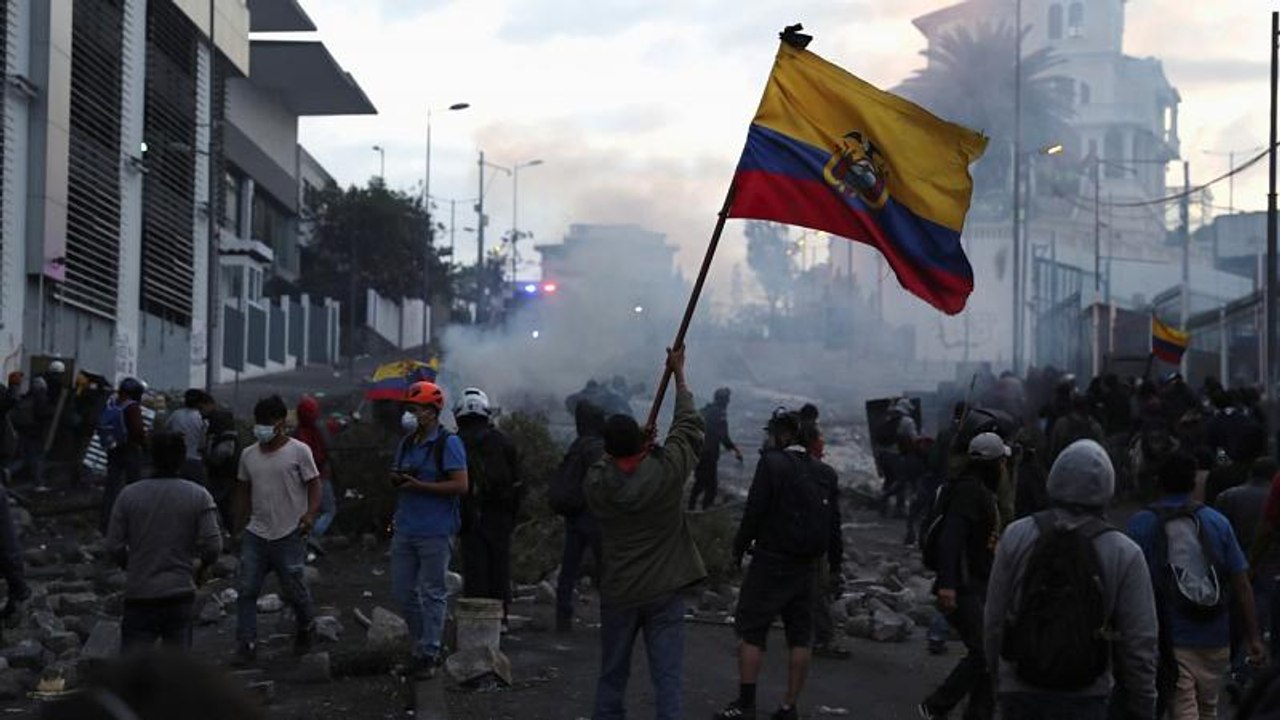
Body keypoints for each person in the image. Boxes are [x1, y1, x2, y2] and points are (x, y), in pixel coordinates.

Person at [984, 439, 1158, 719]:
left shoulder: (1017, 535)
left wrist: (998, 678)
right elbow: (1141, 644)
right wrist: (1143, 704)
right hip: (1087, 696)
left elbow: (993, 620)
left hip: (1020, 688)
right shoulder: (1125, 552)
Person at [584, 346, 705, 720]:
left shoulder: (597, 483)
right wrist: (679, 375)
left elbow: (609, 463)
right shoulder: (667, 471)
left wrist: (637, 447)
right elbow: (688, 428)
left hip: (620, 590)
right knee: (667, 677)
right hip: (664, 590)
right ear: (639, 444)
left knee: (612, 674)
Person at [714, 408, 841, 720]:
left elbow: (754, 512)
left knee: (752, 631)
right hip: (807, 567)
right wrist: (835, 567)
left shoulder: (771, 464)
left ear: (784, 435)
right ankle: (788, 707)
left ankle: (745, 705)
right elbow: (834, 526)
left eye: (771, 432)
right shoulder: (825, 473)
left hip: (770, 563)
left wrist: (737, 550)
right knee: (800, 636)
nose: (768, 438)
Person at [1127, 449, 1265, 719]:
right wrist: (1254, 637)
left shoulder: (1141, 524)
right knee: (1207, 707)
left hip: (1169, 638)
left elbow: (1129, 585)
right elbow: (1241, 584)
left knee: (1184, 707)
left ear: (1159, 482)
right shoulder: (1217, 522)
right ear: (1193, 484)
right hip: (1216, 636)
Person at [918, 432, 1007, 720]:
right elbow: (951, 537)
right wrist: (947, 585)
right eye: (1002, 461)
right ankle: (936, 706)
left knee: (990, 654)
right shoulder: (969, 490)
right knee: (983, 652)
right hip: (964, 585)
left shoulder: (978, 489)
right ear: (993, 463)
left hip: (977, 583)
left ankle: (979, 714)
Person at [106, 432, 222, 650]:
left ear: (151, 457)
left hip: (139, 593)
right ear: (182, 458)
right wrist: (200, 567)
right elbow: (213, 546)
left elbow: (113, 545)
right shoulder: (198, 495)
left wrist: (131, 565)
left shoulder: (128, 495)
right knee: (176, 673)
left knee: (133, 674)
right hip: (179, 594)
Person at [231, 395, 321, 666]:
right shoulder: (248, 455)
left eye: (267, 423)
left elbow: (314, 485)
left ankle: (306, 627)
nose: (262, 429)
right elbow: (243, 492)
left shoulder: (298, 451)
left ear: (281, 423)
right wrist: (238, 526)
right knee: (247, 590)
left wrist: (309, 515)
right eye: (258, 423)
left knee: (294, 589)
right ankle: (246, 643)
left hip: (289, 532)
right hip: (256, 533)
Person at [389, 381, 468, 677]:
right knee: (403, 591)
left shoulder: (449, 443)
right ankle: (425, 644)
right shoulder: (407, 443)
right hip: (407, 526)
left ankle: (429, 651)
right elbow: (397, 472)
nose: (411, 414)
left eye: (417, 409)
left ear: (432, 412)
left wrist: (421, 485)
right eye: (410, 408)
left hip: (436, 528)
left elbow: (461, 485)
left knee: (433, 592)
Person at [455, 387, 521, 623]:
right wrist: (512, 516)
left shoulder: (456, 443)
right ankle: (500, 619)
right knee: (499, 566)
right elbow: (518, 481)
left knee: (475, 568)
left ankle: (477, 620)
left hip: (470, 515)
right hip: (500, 515)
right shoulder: (503, 441)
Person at [1219, 458, 1279, 693]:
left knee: (1237, 617)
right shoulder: (1271, 493)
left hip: (1236, 566)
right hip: (1270, 567)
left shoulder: (1228, 496)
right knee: (1260, 619)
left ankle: (1239, 668)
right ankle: (1244, 669)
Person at [549, 400, 606, 633]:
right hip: (593, 516)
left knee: (569, 568)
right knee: (607, 569)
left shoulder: (576, 445)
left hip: (574, 515)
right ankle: (612, 618)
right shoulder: (596, 448)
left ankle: (563, 618)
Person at [100, 377, 148, 534]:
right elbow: (138, 431)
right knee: (134, 488)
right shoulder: (132, 407)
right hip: (130, 450)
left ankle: (106, 524)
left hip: (113, 450)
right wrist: (146, 446)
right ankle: (132, 525)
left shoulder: (111, 403)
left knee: (111, 488)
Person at [293, 396, 336, 555]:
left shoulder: (296, 434)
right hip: (321, 476)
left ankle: (304, 536)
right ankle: (311, 536)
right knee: (329, 510)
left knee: (306, 510)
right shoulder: (321, 429)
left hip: (301, 479)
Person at [688, 387, 743, 511]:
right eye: (727, 400)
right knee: (711, 486)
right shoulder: (720, 414)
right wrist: (736, 450)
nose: (728, 403)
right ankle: (703, 510)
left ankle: (692, 507)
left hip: (698, 452)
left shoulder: (705, 410)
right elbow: (724, 437)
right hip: (709, 455)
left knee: (700, 482)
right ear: (724, 401)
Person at [164, 389, 214, 486]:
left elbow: (166, 431)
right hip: (196, 461)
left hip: (177, 461)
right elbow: (204, 443)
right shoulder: (202, 418)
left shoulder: (176, 414)